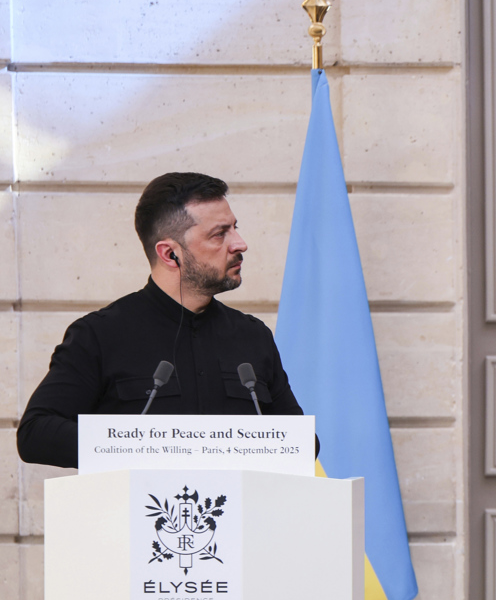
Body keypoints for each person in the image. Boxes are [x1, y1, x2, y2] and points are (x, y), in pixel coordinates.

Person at [18, 172, 305, 468]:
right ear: (170, 254)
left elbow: (303, 444)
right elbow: (35, 433)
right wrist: (152, 446)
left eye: (235, 228)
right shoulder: (100, 335)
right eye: (220, 234)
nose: (240, 244)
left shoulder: (253, 336)